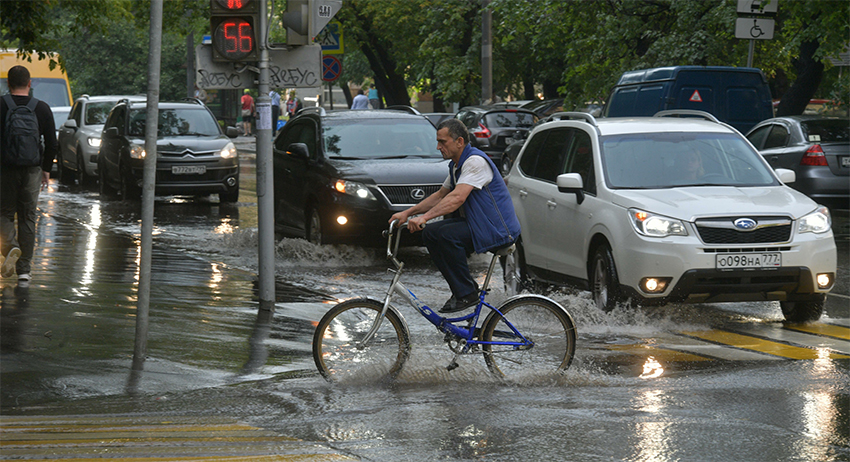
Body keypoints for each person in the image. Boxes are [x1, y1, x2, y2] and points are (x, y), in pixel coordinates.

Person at [389, 119, 521, 313]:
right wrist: (407, 213)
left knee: (446, 235)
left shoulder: (475, 162)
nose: (438, 147)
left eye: (442, 142)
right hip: (480, 225)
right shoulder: (457, 165)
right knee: (431, 233)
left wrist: (424, 218)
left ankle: (466, 293)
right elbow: (440, 195)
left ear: (459, 142)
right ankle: (462, 290)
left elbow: (457, 197)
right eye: (438, 142)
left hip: (498, 230)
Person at [0, 65, 59, 283]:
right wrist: (46, 169)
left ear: (8, 83)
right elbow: (52, 143)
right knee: (27, 217)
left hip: (5, 169)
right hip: (32, 169)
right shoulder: (41, 108)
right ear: (29, 83)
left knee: (3, 213)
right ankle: (24, 270)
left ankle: (10, 248)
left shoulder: (1, 105)